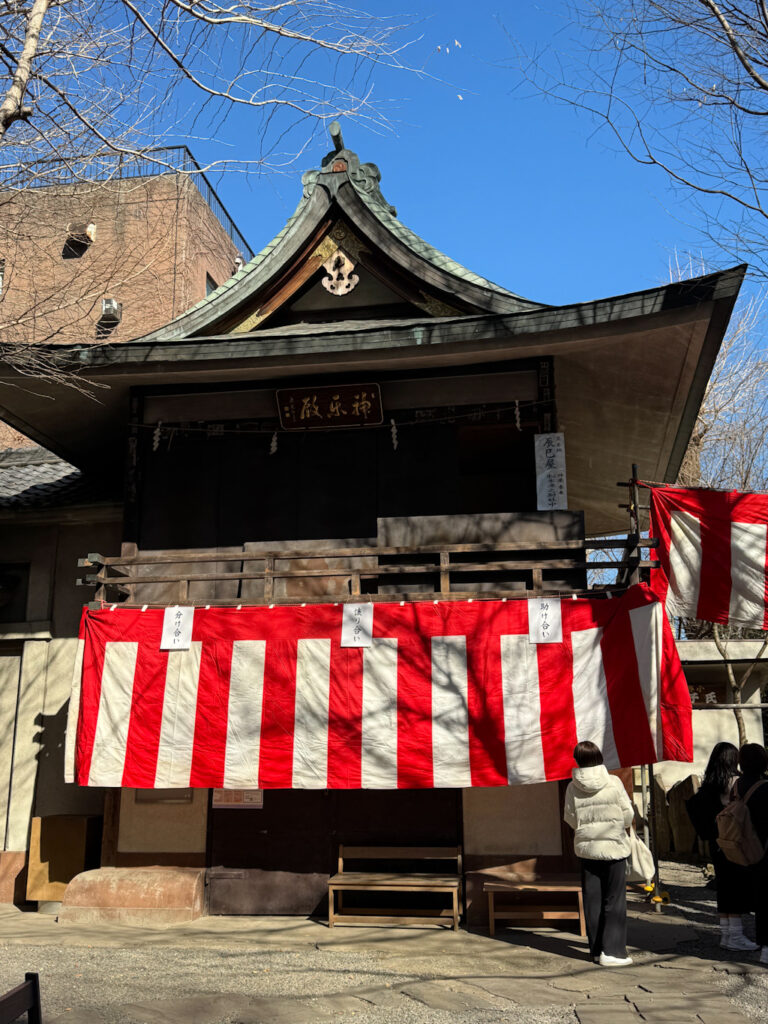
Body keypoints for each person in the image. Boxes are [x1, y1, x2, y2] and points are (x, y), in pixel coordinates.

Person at [564, 740, 634, 967]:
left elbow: (570, 818)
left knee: (592, 900)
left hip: (587, 850)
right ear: (599, 757)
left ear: (577, 760)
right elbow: (628, 815)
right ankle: (612, 952)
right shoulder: (614, 782)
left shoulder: (572, 787)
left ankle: (595, 951)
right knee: (614, 899)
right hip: (614, 847)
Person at [686, 742, 756, 952]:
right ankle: (735, 935)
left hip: (716, 843)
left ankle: (727, 934)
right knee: (735, 888)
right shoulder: (735, 782)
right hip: (735, 842)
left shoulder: (709, 784)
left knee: (724, 887)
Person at [735, 743, 768, 965]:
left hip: (747, 847)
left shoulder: (737, 785)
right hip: (764, 847)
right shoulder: (764, 788)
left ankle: (764, 946)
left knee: (762, 900)